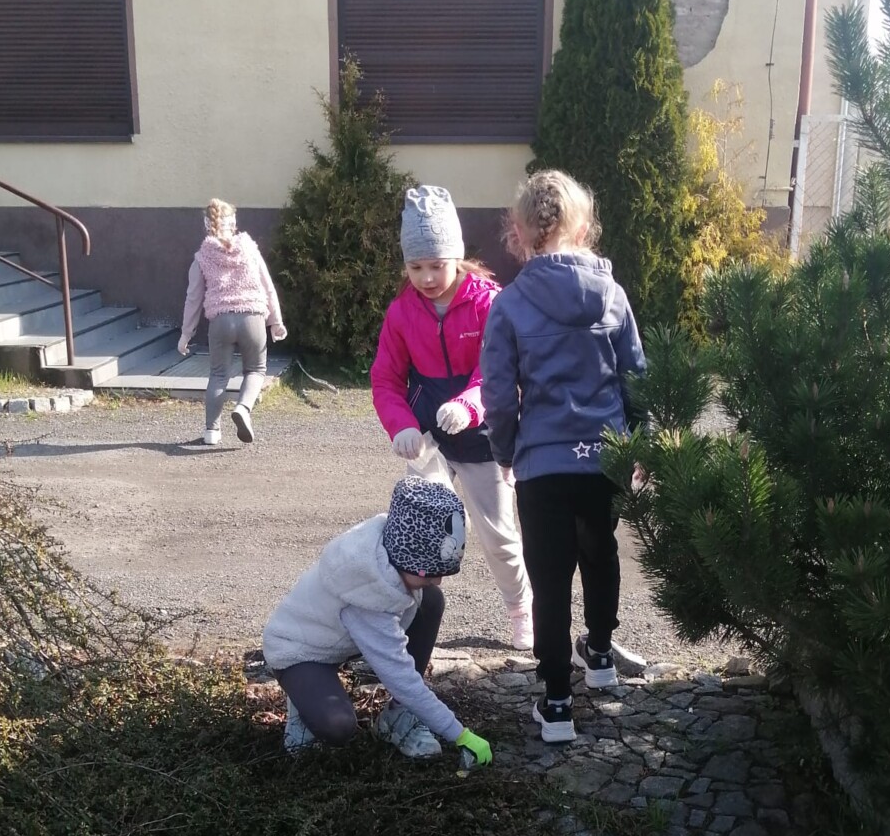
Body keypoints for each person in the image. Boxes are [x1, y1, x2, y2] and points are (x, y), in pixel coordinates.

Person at [480, 170, 647, 744]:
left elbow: (498, 395)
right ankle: (599, 656)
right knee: (601, 556)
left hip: (543, 465)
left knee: (549, 581)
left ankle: (556, 704)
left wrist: (505, 450)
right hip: (604, 458)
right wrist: (640, 445)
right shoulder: (612, 294)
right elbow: (636, 378)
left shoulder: (510, 305)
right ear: (582, 226)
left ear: (520, 232)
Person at [370, 185, 534, 652]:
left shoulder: (489, 303)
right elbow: (385, 378)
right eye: (416, 267)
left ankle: (521, 609)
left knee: (499, 537)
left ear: (457, 257)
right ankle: (407, 618)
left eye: (436, 265)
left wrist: (469, 405)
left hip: (484, 438)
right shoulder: (402, 312)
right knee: (418, 530)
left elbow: (499, 371)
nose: (426, 277)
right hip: (428, 439)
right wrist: (401, 425)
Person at [262, 476, 493, 766]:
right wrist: (459, 734)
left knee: (430, 600)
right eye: (430, 571)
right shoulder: (366, 592)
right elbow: (400, 677)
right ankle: (304, 704)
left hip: (339, 636)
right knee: (337, 726)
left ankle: (397, 717)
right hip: (300, 651)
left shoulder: (390, 548)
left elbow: (397, 658)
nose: (437, 579)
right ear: (405, 558)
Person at [178, 198, 286, 446]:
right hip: (253, 317)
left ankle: (211, 431)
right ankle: (243, 408)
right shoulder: (250, 249)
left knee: (218, 374)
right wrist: (276, 321)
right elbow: (267, 286)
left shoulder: (202, 257)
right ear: (233, 223)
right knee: (256, 370)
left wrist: (186, 334)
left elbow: (193, 298)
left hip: (221, 321)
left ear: (207, 225)